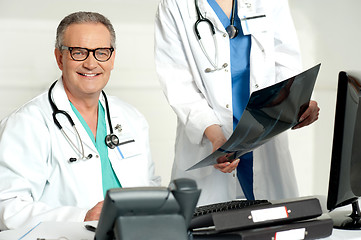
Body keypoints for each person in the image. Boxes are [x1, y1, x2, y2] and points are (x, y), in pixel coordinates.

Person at [0, 11, 160, 230]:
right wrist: (81, 218)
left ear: (112, 59)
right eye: (79, 53)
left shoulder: (132, 117)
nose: (91, 63)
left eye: (101, 53)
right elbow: (8, 208)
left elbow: (150, 186)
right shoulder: (27, 123)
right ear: (59, 58)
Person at [154, 0, 319, 206]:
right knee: (208, 230)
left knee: (271, 226)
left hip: (264, 141)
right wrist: (216, 138)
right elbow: (179, 85)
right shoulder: (175, 5)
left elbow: (286, 64)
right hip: (212, 144)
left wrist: (298, 104)